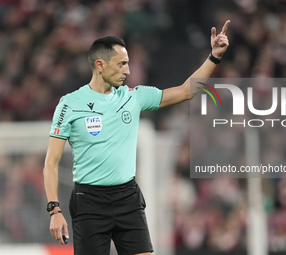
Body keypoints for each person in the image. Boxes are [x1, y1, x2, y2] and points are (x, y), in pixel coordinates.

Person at [43, 20, 230, 255]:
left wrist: (214, 57)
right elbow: (51, 162)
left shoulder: (133, 97)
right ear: (100, 65)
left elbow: (186, 91)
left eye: (128, 64)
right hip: (89, 202)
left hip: (127, 198)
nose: (128, 71)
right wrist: (54, 210)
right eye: (121, 64)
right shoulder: (69, 104)